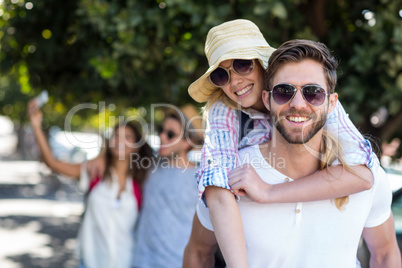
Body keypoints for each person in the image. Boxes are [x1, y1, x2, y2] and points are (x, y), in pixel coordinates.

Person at [189, 39, 401, 267]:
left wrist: (269, 192)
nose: (298, 103)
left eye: (313, 93)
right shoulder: (231, 173)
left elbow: (385, 252)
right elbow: (198, 252)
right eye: (283, 92)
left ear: (331, 103)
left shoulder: (361, 167)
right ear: (267, 98)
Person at [27, 99, 153, 268]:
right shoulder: (94, 172)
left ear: (137, 146)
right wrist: (36, 126)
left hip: (127, 262)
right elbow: (52, 163)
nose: (120, 140)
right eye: (116, 135)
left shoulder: (142, 182)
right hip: (91, 262)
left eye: (127, 137)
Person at [131, 104, 203, 267]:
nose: (162, 137)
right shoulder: (149, 167)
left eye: (170, 134)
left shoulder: (201, 178)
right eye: (161, 130)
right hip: (141, 262)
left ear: (187, 142)